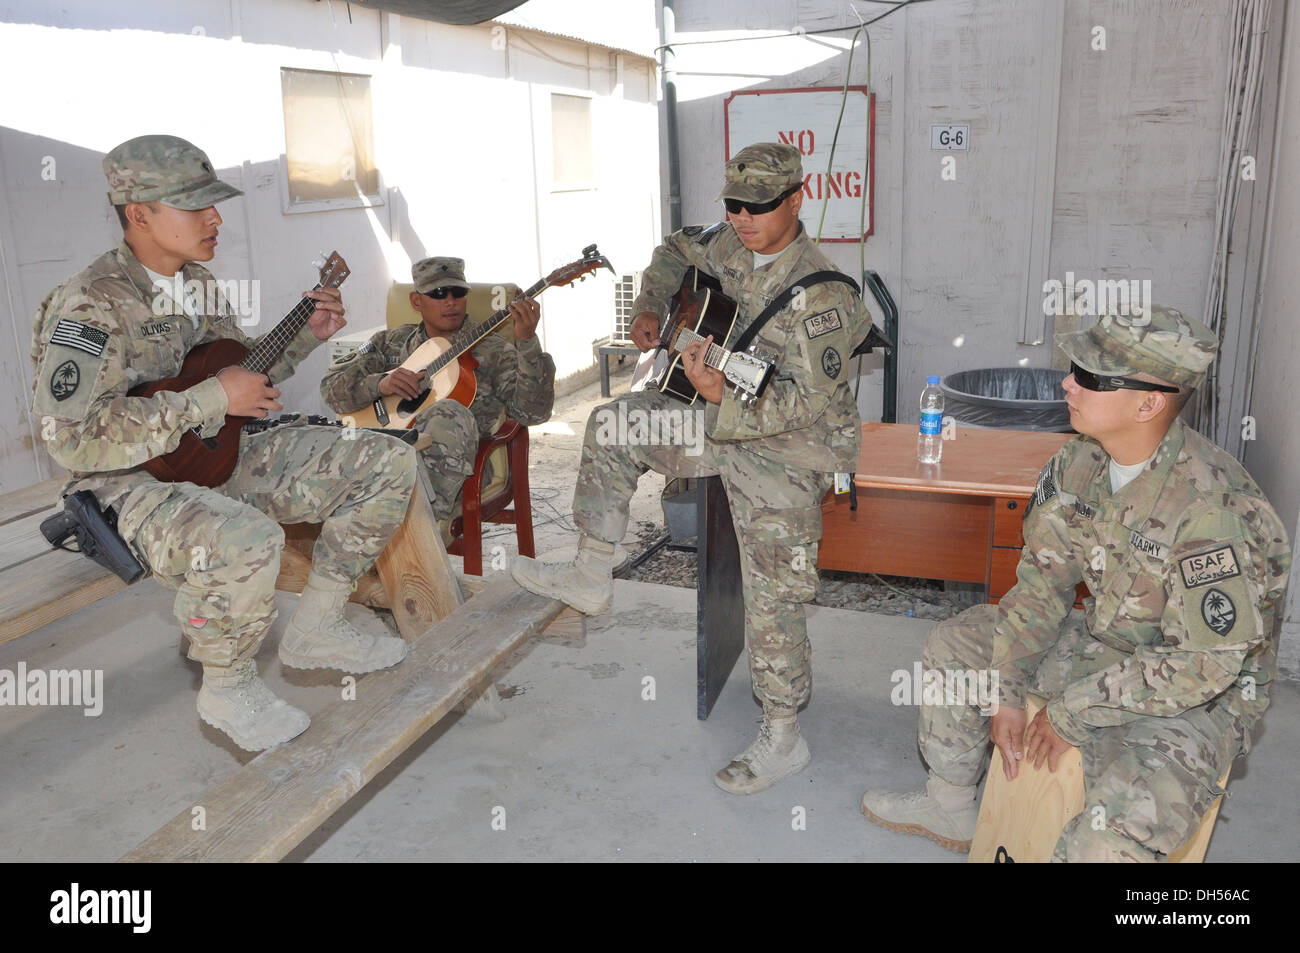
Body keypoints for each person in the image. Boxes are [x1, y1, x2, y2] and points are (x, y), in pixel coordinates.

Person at [861, 305, 1292, 860]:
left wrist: (1072, 712)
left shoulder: (1213, 511)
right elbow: (1042, 587)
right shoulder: (1079, 463)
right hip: (1110, 642)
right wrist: (1008, 689)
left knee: (1112, 831)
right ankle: (949, 805)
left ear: (1149, 402)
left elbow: (1203, 666)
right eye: (1073, 367)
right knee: (958, 646)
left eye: (1089, 376)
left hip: (1203, 693)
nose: (1068, 382)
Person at [30, 135, 415, 752]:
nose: (215, 218)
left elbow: (234, 373)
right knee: (246, 539)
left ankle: (316, 625)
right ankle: (227, 687)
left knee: (388, 459)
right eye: (195, 206)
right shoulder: (88, 304)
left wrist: (302, 339)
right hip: (126, 480)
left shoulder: (200, 284)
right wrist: (212, 400)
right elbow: (72, 438)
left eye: (216, 203)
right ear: (139, 213)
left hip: (213, 451)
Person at [511, 142, 873, 795]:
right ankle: (591, 573)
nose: (742, 218)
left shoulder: (825, 297)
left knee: (773, 592)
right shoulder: (726, 242)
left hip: (788, 445)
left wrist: (718, 395)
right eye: (733, 205)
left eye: (758, 207)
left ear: (797, 199)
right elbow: (674, 251)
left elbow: (800, 403)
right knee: (612, 423)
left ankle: (784, 735)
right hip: (715, 412)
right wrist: (651, 304)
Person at [319, 256, 555, 523]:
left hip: (457, 468)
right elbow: (330, 388)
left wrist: (527, 343)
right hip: (386, 455)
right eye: (438, 293)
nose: (450, 301)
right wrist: (379, 384)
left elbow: (533, 413)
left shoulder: (494, 350)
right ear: (416, 301)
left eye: (458, 292)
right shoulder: (390, 342)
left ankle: (416, 527)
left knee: (448, 412)